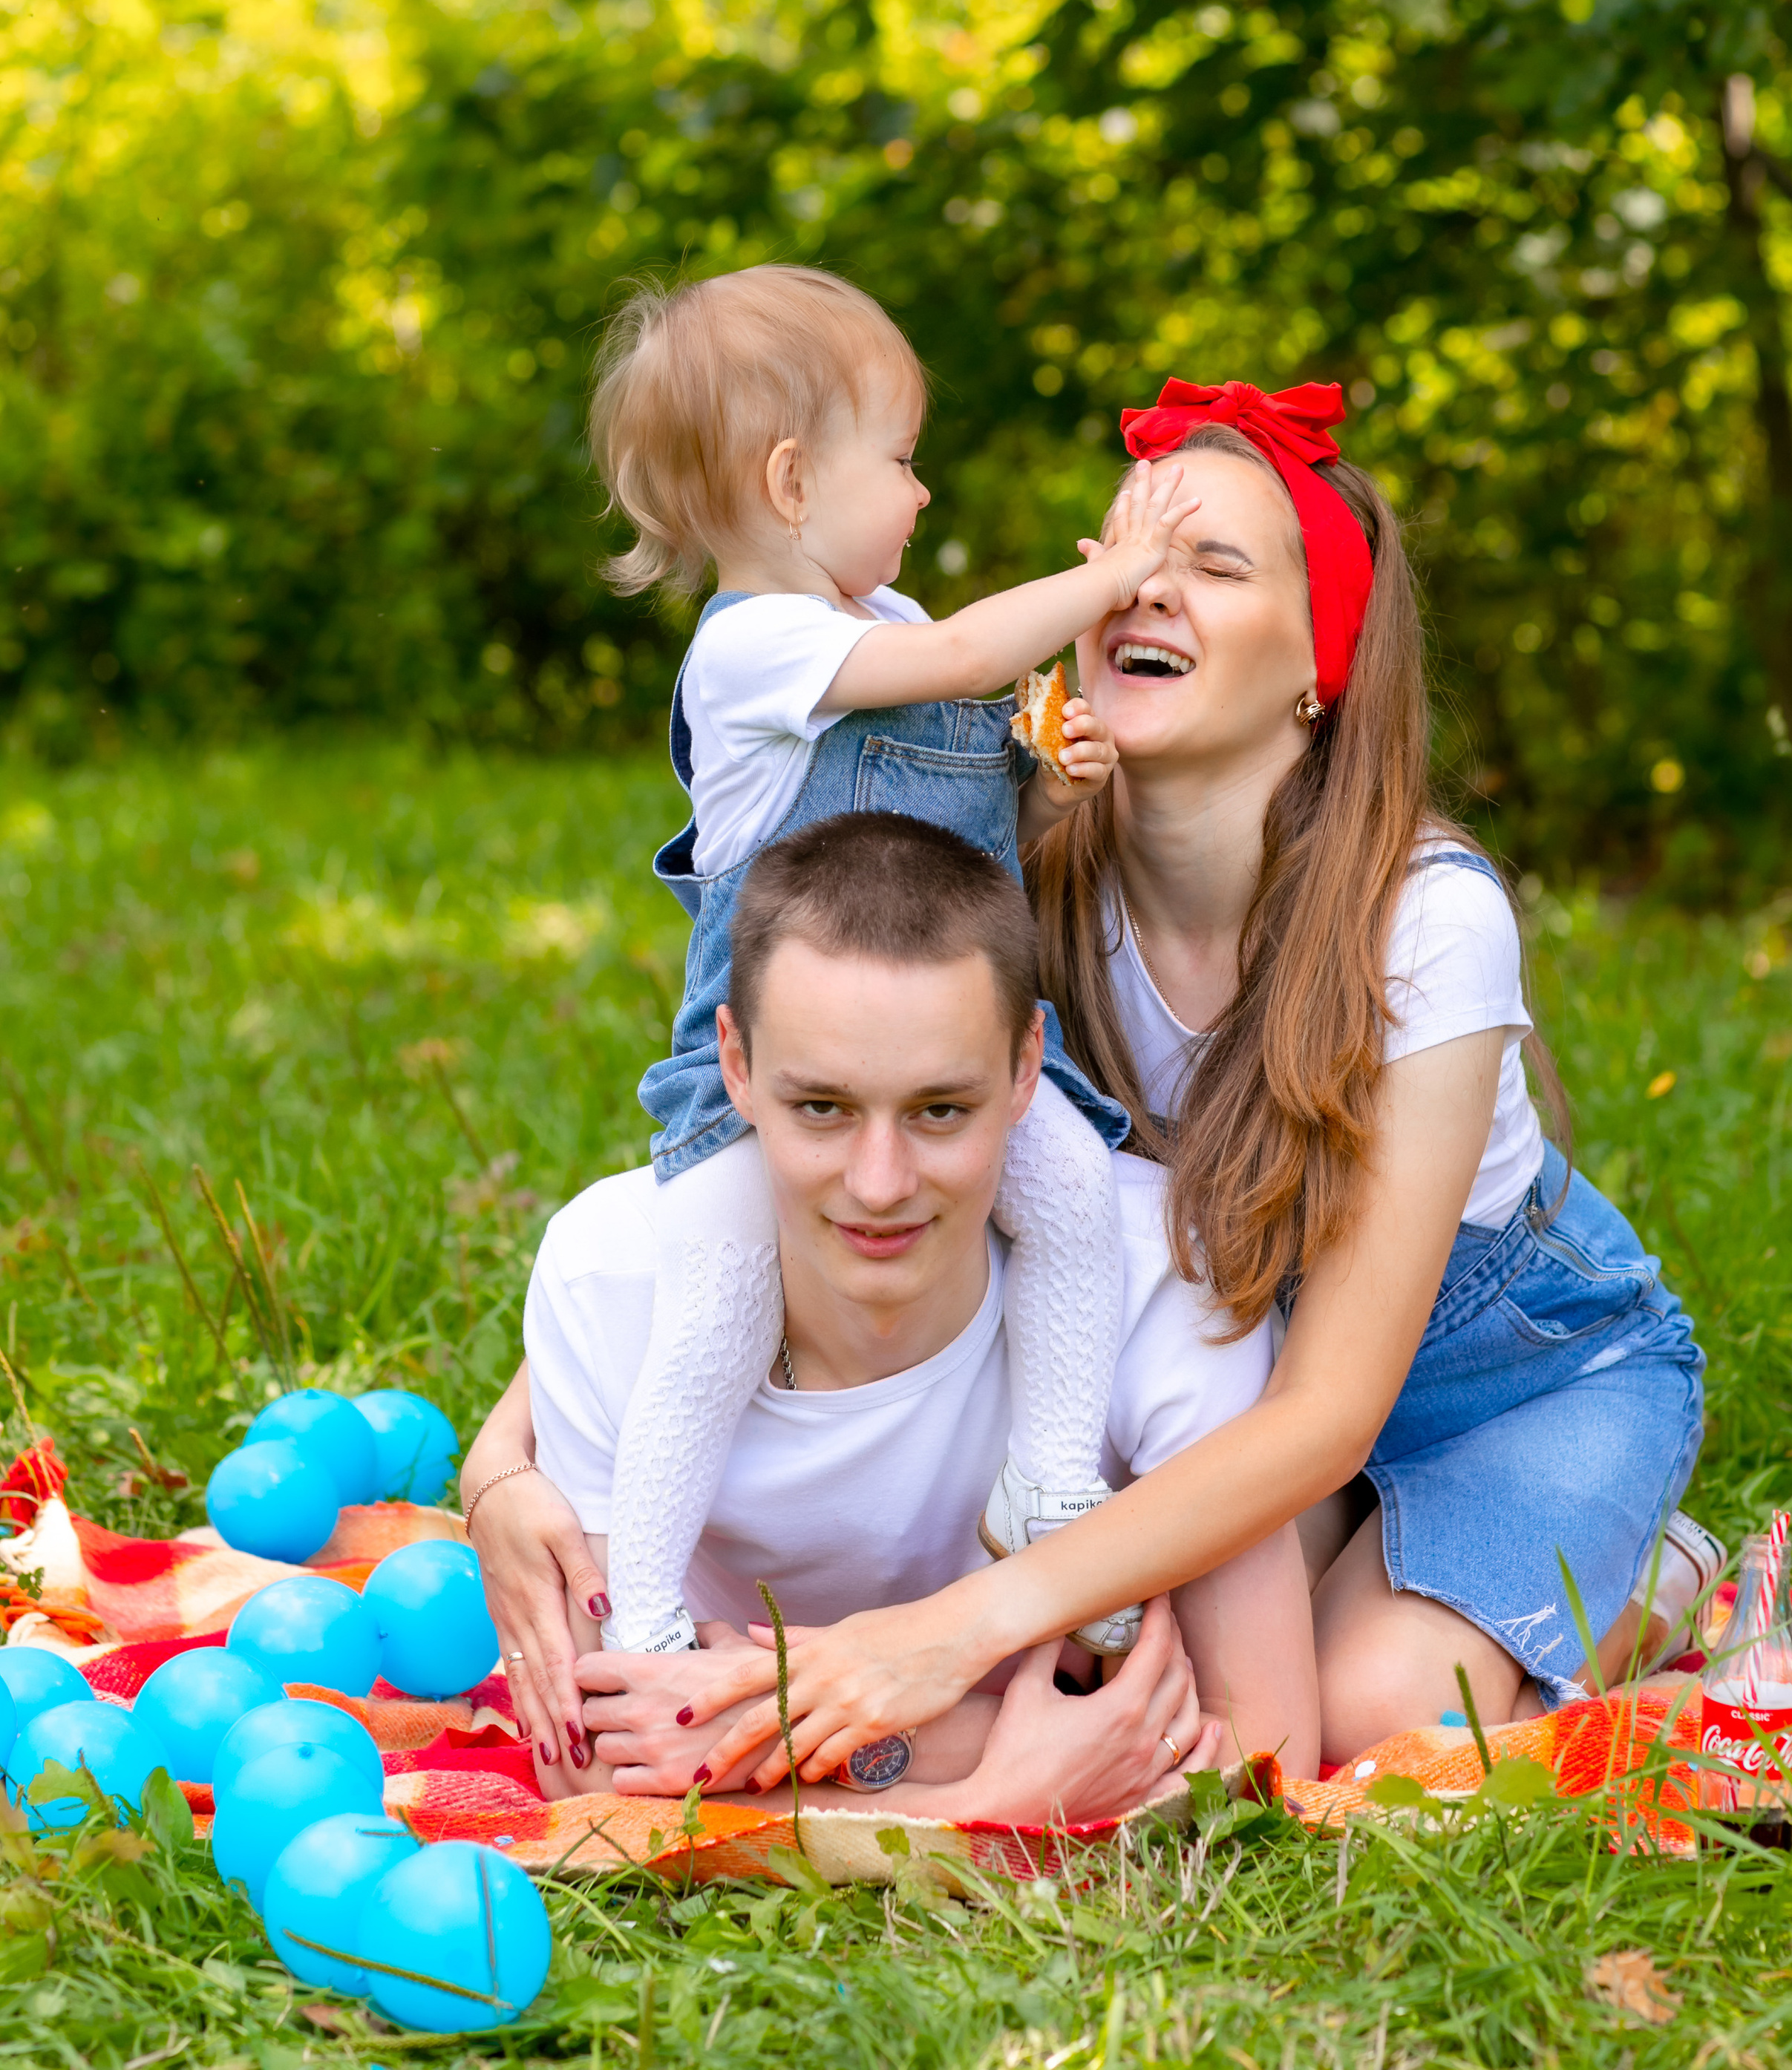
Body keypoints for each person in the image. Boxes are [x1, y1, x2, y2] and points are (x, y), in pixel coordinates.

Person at [465, 371, 1718, 1784]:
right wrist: (501, 1463)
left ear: (1323, 659)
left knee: (1372, 1716)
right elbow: (739, 1168)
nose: (1144, 588)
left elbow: (1331, 1414)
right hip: (1238, 1378)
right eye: (1123, 550)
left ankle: (1653, 1570)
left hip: (1511, 1378)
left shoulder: (1421, 922)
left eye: (1213, 564)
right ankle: (1405, 1572)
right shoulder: (1034, 865)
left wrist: (937, 1635)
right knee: (1155, 1676)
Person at [571, 265, 1203, 1668]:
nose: (922, 495)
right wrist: (1113, 576)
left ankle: (1048, 1480)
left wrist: (1050, 785)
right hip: (774, 1081)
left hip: (946, 1056)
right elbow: (980, 649)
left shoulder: (892, 631)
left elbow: (963, 835)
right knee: (721, 1303)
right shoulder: (752, 649)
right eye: (903, 461)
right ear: (792, 481)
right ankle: (648, 1606)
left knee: (1072, 1199)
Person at [511, 808, 1318, 1816]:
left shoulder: (1159, 1269)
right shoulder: (609, 1274)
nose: (881, 1183)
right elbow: (589, 1770)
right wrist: (983, 1791)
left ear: (1026, 1069)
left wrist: (774, 1731)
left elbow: (1267, 1741)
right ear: (736, 1067)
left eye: (940, 1110)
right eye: (823, 1108)